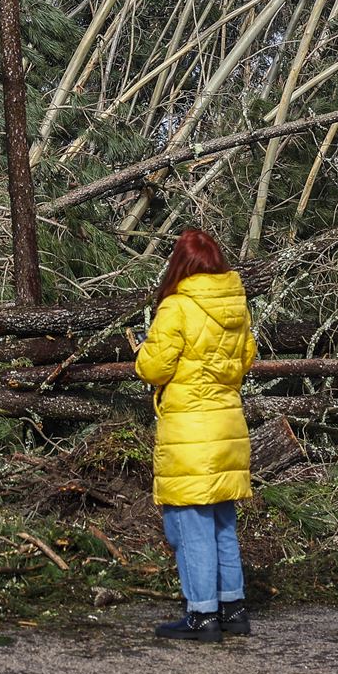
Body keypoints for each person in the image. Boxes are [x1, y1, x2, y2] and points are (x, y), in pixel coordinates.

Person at [134, 227, 255, 642]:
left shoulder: (178, 307)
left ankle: (201, 614)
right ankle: (232, 607)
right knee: (222, 519)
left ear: (180, 264)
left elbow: (154, 368)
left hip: (190, 426)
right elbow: (246, 358)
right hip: (227, 423)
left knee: (190, 522)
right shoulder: (236, 305)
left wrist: (142, 352)